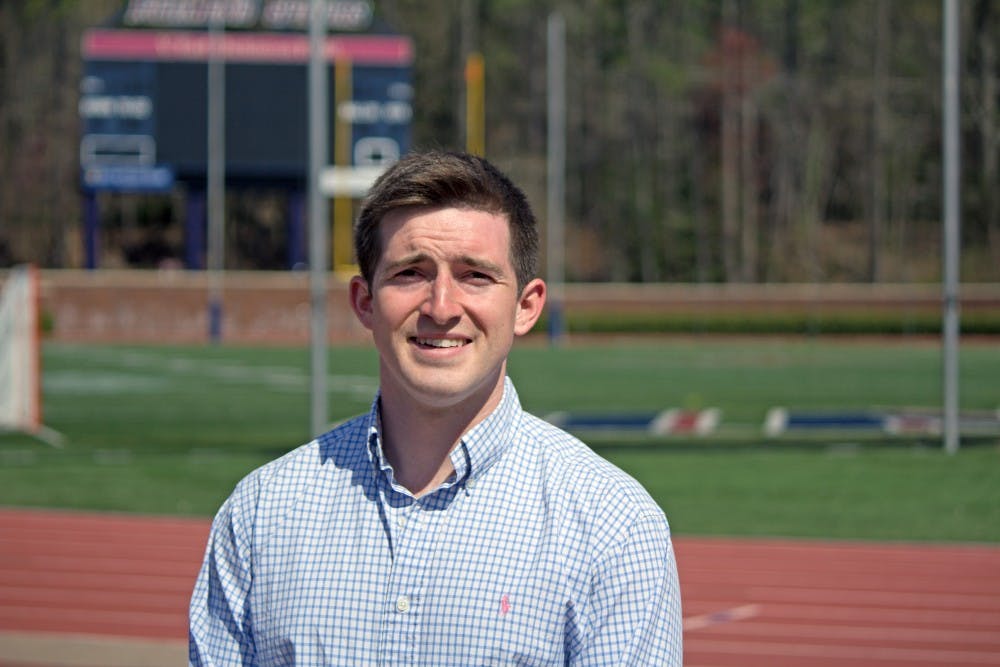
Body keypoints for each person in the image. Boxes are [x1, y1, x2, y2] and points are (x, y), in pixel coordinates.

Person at [189, 150, 682, 666]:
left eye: (475, 275)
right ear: (364, 302)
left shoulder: (613, 526)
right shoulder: (261, 514)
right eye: (410, 273)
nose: (441, 307)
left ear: (526, 307)